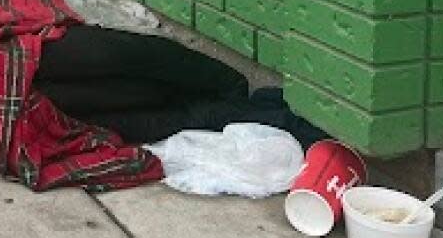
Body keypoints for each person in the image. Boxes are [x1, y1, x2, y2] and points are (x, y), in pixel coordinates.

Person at [34, 25, 325, 148]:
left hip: (12, 52)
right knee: (135, 117)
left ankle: (226, 87)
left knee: (109, 56)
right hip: (11, 108)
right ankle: (280, 121)